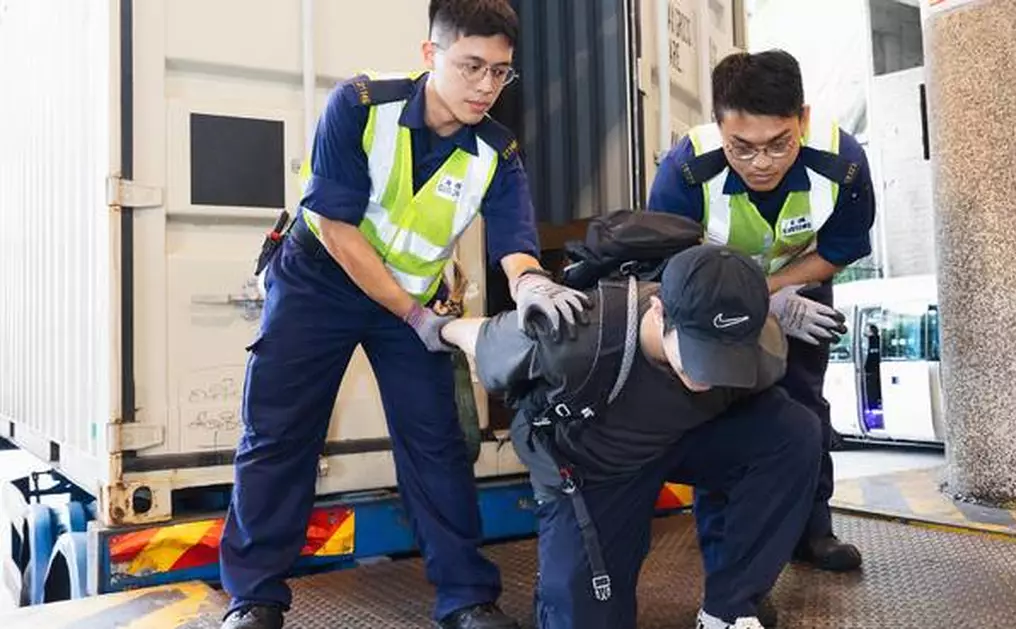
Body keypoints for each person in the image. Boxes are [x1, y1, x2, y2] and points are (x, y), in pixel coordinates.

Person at [218, 2, 590, 629]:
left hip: (409, 306)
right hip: (318, 282)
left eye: (501, 73)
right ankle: (255, 599)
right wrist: (416, 316)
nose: (485, 86)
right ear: (430, 55)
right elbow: (336, 226)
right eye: (471, 66)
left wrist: (529, 283)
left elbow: (513, 238)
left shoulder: (497, 150)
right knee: (279, 436)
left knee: (436, 444)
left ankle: (467, 598)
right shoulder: (360, 106)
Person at [440, 244, 824, 629]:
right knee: (585, 617)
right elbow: (480, 336)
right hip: (595, 468)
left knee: (795, 431)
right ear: (659, 311)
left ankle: (730, 608)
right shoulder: (576, 336)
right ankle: (563, 587)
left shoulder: (763, 350)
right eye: (699, 353)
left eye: (727, 360)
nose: (708, 376)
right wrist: (437, 326)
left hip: (686, 438)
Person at [648, 49, 877, 574]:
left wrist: (776, 291)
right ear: (718, 125)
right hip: (712, 301)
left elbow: (843, 246)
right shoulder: (684, 171)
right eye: (742, 148)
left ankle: (813, 529)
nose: (762, 163)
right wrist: (749, 301)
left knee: (804, 403)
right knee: (721, 411)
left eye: (779, 144)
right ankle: (728, 556)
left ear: (803, 118)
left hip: (799, 286)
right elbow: (668, 266)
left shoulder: (841, 162)